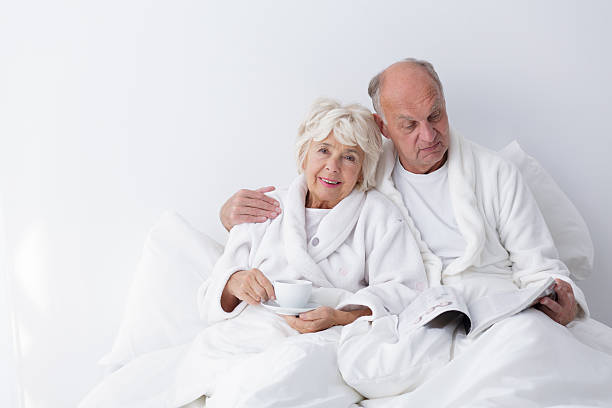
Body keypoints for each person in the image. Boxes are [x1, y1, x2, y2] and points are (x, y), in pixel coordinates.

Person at [219, 59, 612, 404]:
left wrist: (563, 300)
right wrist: (230, 217)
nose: (429, 135)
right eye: (409, 124)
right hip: (417, 318)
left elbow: (541, 266)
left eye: (436, 115)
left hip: (496, 305)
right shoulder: (365, 170)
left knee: (525, 348)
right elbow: (312, 198)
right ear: (383, 126)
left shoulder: (496, 174)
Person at [80, 98, 428, 408]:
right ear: (305, 153)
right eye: (323, 150)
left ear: (363, 168)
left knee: (266, 386)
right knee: (127, 392)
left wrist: (338, 316)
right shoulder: (267, 207)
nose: (332, 166)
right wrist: (235, 283)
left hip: (321, 338)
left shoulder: (377, 214)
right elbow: (212, 295)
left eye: (348, 157)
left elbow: (404, 290)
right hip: (247, 332)